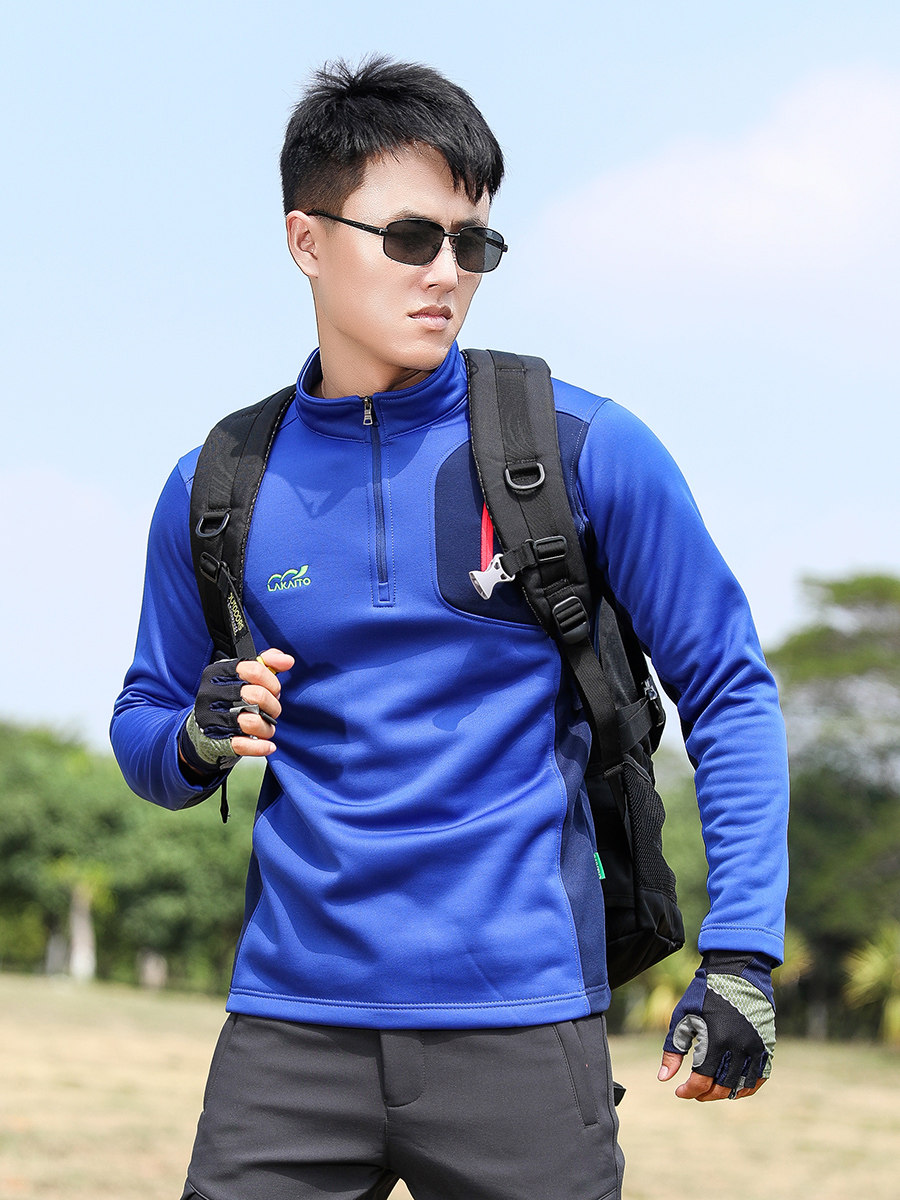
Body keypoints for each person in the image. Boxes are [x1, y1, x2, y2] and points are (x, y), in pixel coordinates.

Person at [111, 56, 789, 1200]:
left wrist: (746, 958)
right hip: (288, 1034)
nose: (448, 273)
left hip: (523, 1029)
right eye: (412, 237)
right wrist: (195, 736)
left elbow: (730, 688)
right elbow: (143, 721)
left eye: (473, 244)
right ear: (306, 240)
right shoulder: (216, 485)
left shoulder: (583, 450)